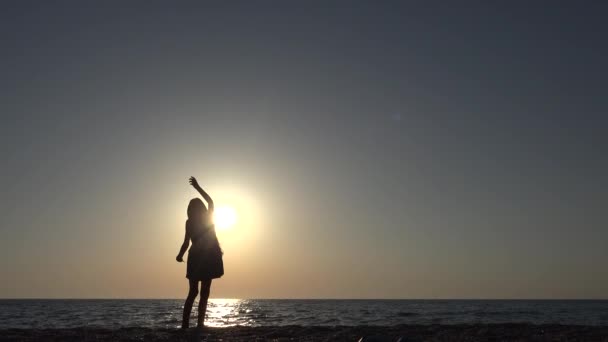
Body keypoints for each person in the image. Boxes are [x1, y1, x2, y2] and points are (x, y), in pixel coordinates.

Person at [176, 176, 224, 329]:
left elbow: (185, 243)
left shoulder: (193, 221)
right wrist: (197, 187)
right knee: (203, 292)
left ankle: (188, 325)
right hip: (204, 257)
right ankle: (198, 324)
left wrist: (180, 255)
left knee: (194, 292)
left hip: (199, 257)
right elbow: (210, 202)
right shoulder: (203, 219)